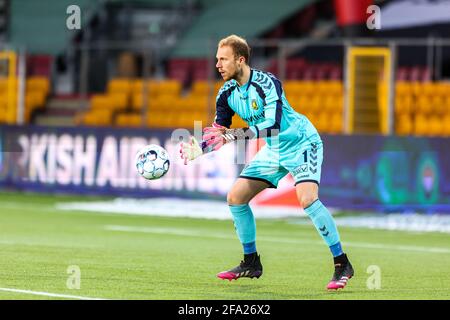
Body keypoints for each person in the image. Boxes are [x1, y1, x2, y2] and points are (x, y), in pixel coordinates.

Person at [180, 35, 354, 290]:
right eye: (217, 59)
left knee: (307, 199)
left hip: (302, 142)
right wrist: (199, 149)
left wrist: (232, 136)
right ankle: (251, 262)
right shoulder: (226, 92)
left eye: (223, 59)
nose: (217, 64)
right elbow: (219, 132)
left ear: (240, 60)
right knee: (236, 197)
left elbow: (272, 126)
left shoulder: (267, 83)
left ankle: (342, 263)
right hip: (274, 150)